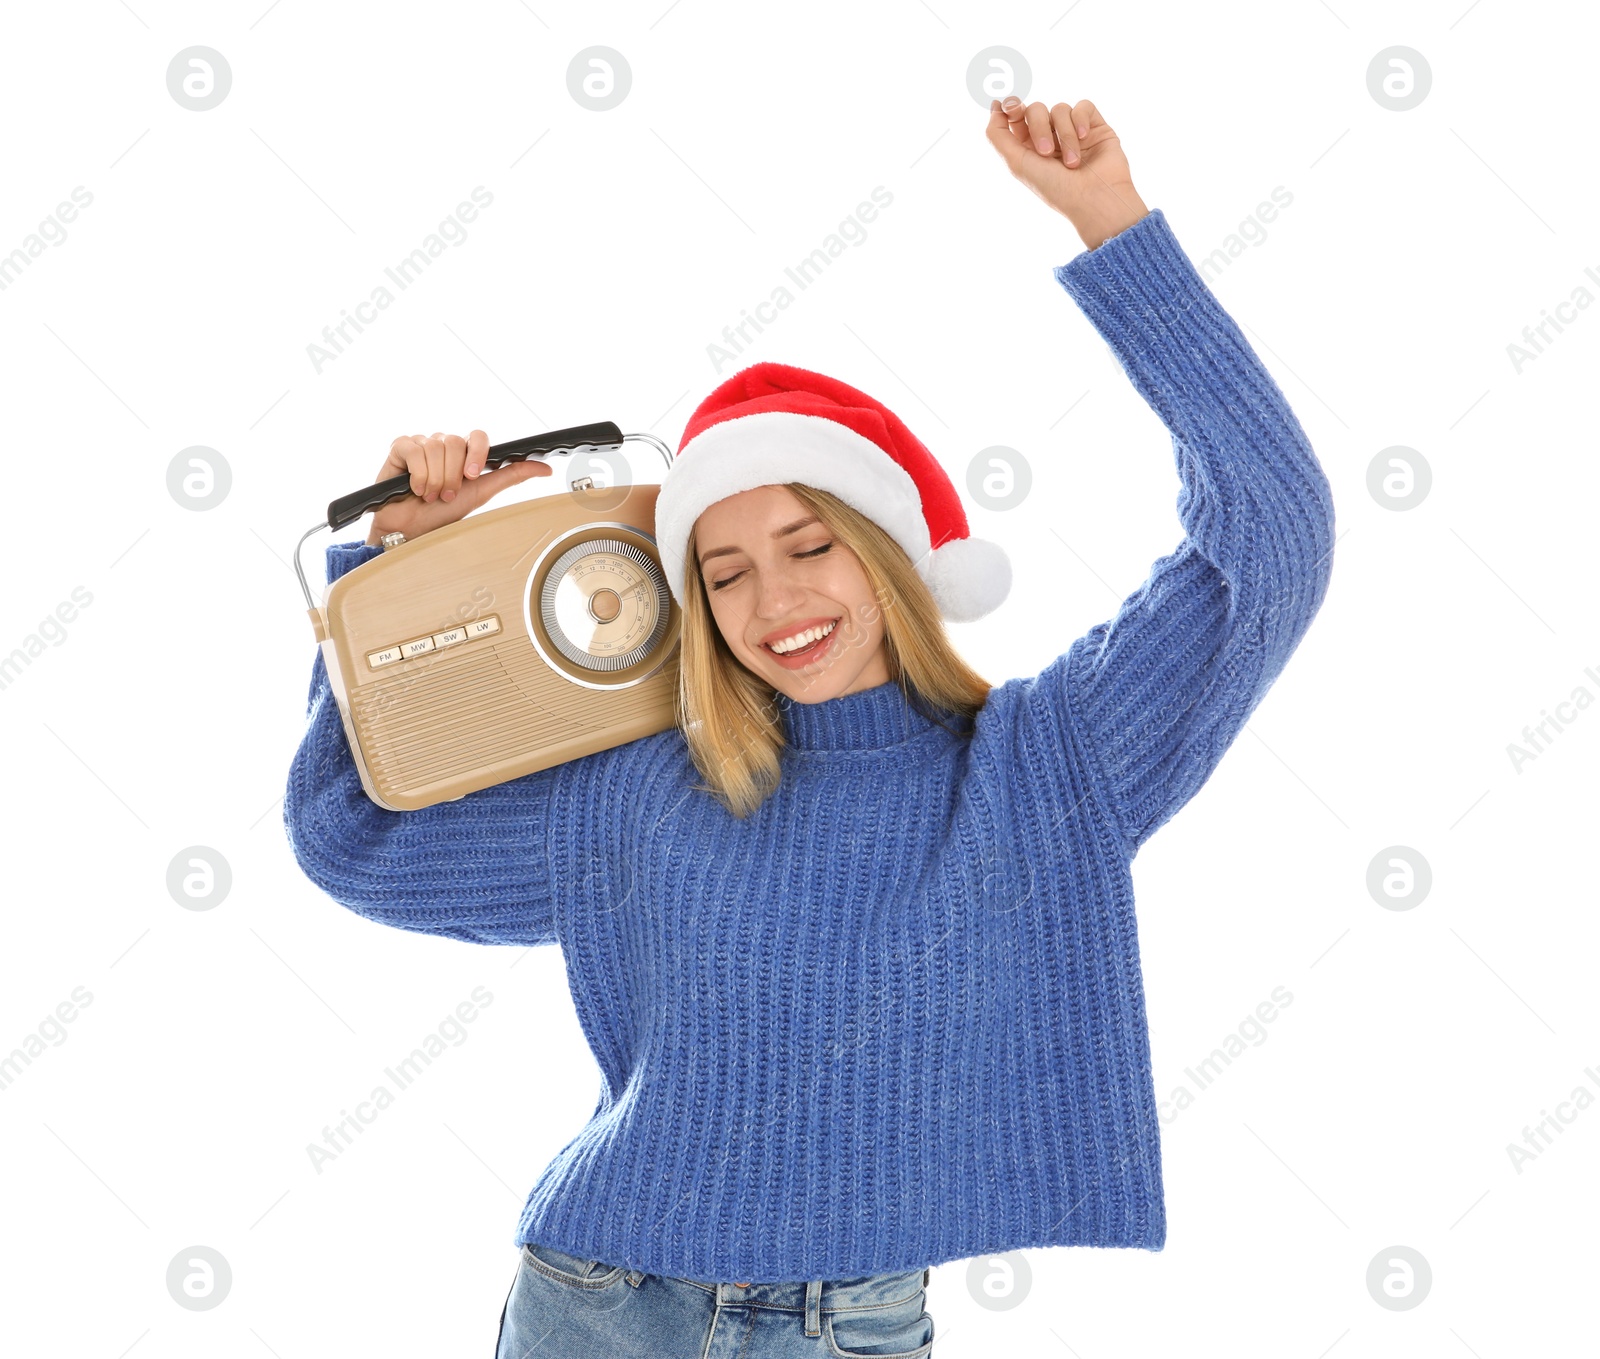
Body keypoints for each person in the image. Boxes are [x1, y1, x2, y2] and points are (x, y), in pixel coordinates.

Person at [283, 95, 1336, 1358]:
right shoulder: (647, 789)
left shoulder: (1046, 768)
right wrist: (397, 568)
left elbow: (1272, 538)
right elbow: (352, 837)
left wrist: (1111, 225)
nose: (773, 601)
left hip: (854, 1325)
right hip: (600, 1304)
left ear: (889, 553)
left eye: (808, 544)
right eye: (721, 572)